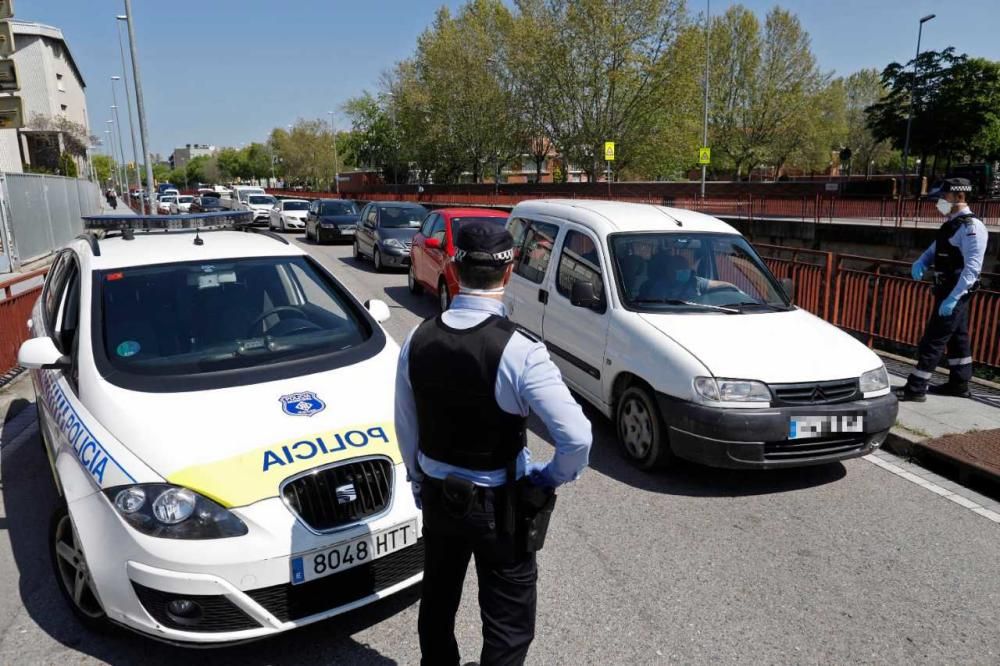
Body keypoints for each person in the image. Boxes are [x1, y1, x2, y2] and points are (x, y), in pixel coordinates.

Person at [395, 220, 592, 666]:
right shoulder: (521, 351)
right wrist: (547, 479)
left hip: (440, 498)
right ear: (509, 272)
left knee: (438, 604)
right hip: (502, 505)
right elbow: (577, 437)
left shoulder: (416, 338)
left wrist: (418, 479)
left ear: (452, 266)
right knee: (507, 624)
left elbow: (406, 426)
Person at [898, 177, 988, 401]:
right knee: (958, 338)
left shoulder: (972, 227)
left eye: (943, 197)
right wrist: (921, 262)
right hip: (945, 288)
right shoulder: (951, 224)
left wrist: (954, 297)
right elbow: (935, 249)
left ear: (959, 196)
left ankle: (916, 388)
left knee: (934, 338)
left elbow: (972, 267)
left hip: (955, 291)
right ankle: (959, 383)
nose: (940, 201)